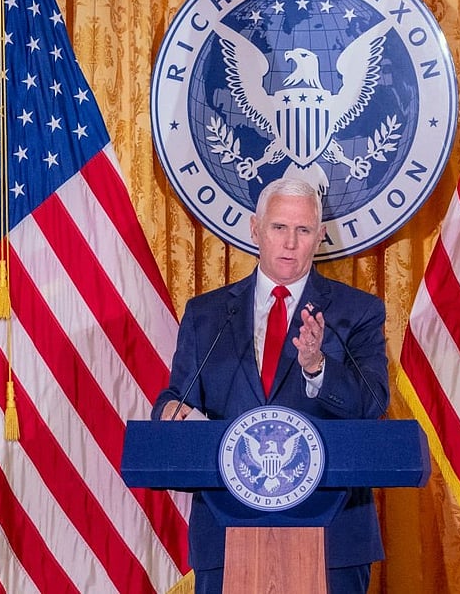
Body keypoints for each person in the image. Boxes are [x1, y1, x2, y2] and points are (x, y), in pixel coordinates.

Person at [152, 176, 390, 594]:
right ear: (255, 229)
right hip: (226, 532)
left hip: (332, 537)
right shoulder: (206, 314)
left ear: (319, 237)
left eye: (303, 231)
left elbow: (372, 404)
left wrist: (317, 366)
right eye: (279, 227)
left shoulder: (358, 312)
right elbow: (179, 396)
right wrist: (169, 412)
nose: (290, 242)